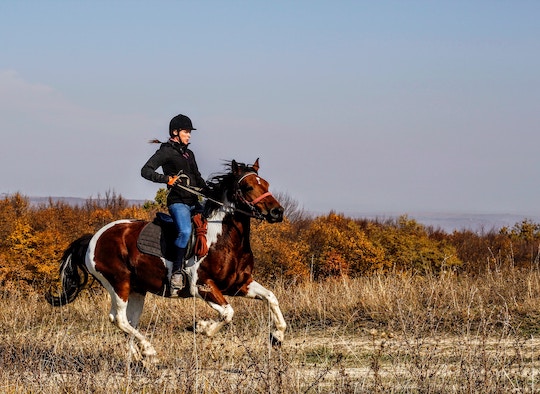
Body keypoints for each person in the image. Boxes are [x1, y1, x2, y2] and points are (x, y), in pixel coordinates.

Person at [141, 114, 207, 293]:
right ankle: (176, 272)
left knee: (209, 228)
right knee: (185, 231)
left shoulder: (189, 153)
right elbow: (145, 171)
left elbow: (198, 177)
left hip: (194, 201)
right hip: (178, 202)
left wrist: (209, 190)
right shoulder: (166, 151)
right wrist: (166, 179)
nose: (189, 135)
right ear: (175, 132)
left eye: (189, 132)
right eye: (186, 132)